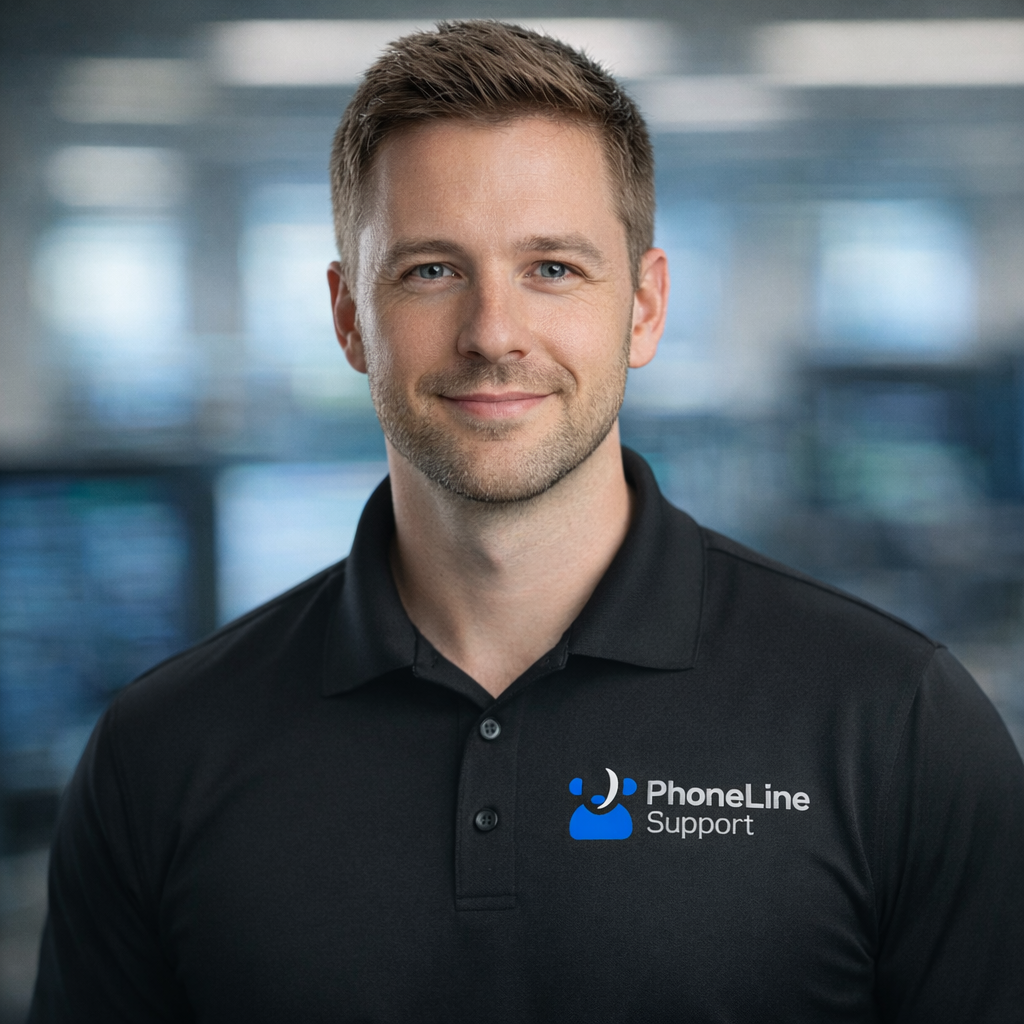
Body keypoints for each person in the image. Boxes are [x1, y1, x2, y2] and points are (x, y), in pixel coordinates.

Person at [30, 21, 1024, 1023]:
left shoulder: (896, 722)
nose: (492, 334)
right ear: (348, 316)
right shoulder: (160, 753)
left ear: (644, 307)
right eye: (431, 270)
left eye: (551, 268)